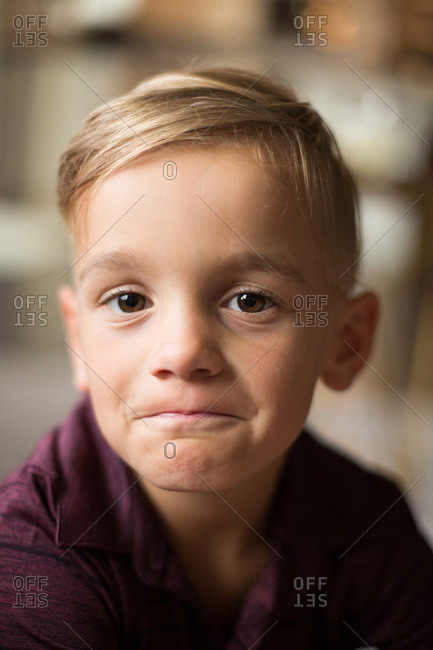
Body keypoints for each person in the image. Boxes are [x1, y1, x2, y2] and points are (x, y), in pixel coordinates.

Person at [0, 66, 432, 649]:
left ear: (346, 341)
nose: (182, 353)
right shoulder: (34, 561)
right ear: (78, 341)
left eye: (250, 301)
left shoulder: (369, 528)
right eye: (129, 300)